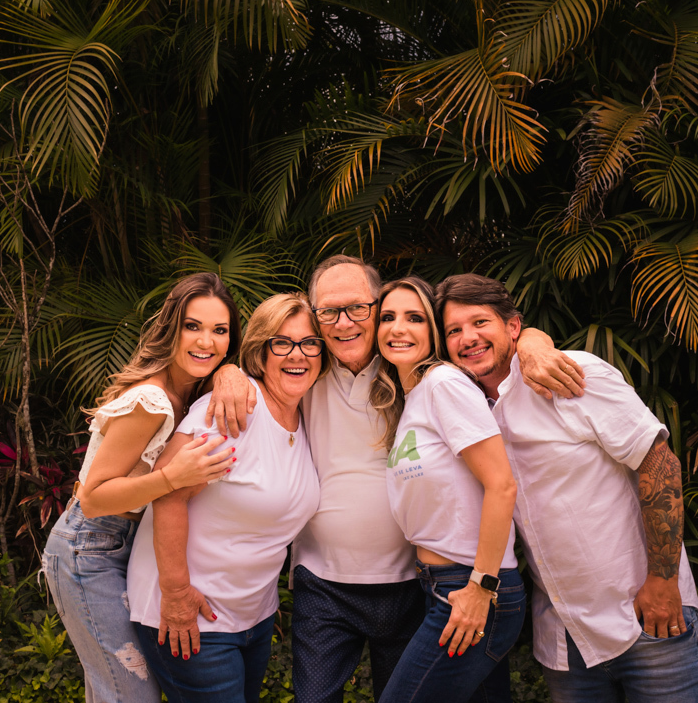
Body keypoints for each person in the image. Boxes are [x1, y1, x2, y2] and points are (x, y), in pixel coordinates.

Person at [204, 255, 585, 703]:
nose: (343, 323)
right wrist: (225, 372)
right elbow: (258, 353)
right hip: (323, 582)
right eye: (329, 311)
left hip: (412, 583)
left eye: (359, 309)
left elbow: (487, 336)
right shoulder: (305, 366)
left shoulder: (413, 370)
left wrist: (534, 344)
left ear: (377, 305)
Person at [435, 273, 698, 703]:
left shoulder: (573, 374)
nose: (467, 338)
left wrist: (662, 581)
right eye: (454, 330)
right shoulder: (464, 410)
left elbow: (658, 461)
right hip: (565, 641)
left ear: (512, 327)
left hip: (647, 616)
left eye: (479, 323)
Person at [42, 272, 239, 703]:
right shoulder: (153, 400)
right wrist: (173, 477)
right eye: (193, 326)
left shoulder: (190, 393)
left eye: (219, 330)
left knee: (115, 688)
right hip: (88, 548)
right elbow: (92, 498)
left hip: (128, 547)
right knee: (130, 692)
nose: (206, 341)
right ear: (172, 329)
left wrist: (230, 374)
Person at [126, 293, 325, 702]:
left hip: (253, 618)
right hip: (191, 617)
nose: (297, 355)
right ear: (260, 350)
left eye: (310, 343)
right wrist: (177, 594)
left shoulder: (307, 415)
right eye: (282, 342)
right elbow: (167, 496)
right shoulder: (234, 410)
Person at [371, 277, 525, 702]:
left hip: (470, 587)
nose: (398, 328)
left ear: (433, 333)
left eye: (415, 318)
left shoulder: (443, 384)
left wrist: (481, 587)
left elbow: (501, 484)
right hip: (439, 583)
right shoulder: (414, 397)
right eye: (387, 317)